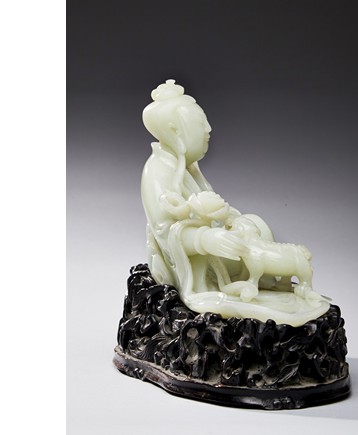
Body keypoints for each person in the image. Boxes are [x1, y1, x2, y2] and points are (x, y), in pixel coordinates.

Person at [140, 80, 329, 326]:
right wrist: (205, 240)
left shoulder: (188, 169)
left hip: (212, 245)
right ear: (175, 131)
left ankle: (266, 280)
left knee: (254, 224)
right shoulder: (157, 171)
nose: (208, 129)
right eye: (199, 123)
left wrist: (233, 218)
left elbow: (213, 205)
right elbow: (165, 233)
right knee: (248, 249)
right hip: (190, 262)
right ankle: (254, 283)